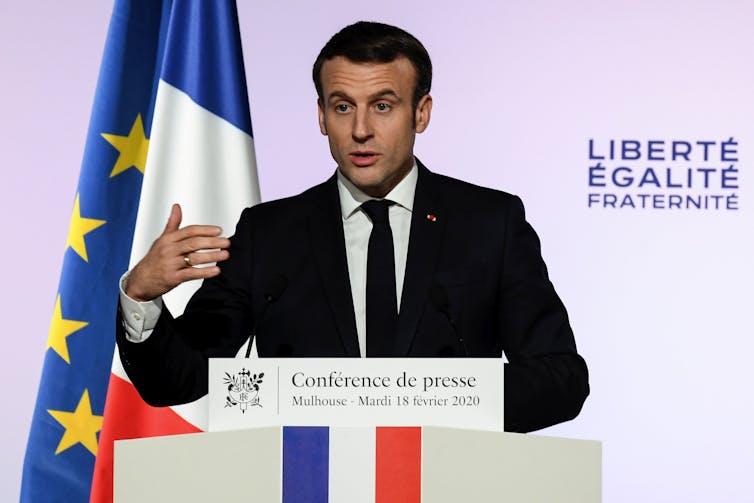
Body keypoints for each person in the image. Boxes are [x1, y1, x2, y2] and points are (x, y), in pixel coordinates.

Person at [117, 21, 588, 433]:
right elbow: (177, 380)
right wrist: (141, 295)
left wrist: (440, 398)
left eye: (383, 106)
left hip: (447, 479)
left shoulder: (489, 224)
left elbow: (561, 378)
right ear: (321, 116)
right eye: (342, 107)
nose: (361, 129)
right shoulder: (269, 234)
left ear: (421, 112)